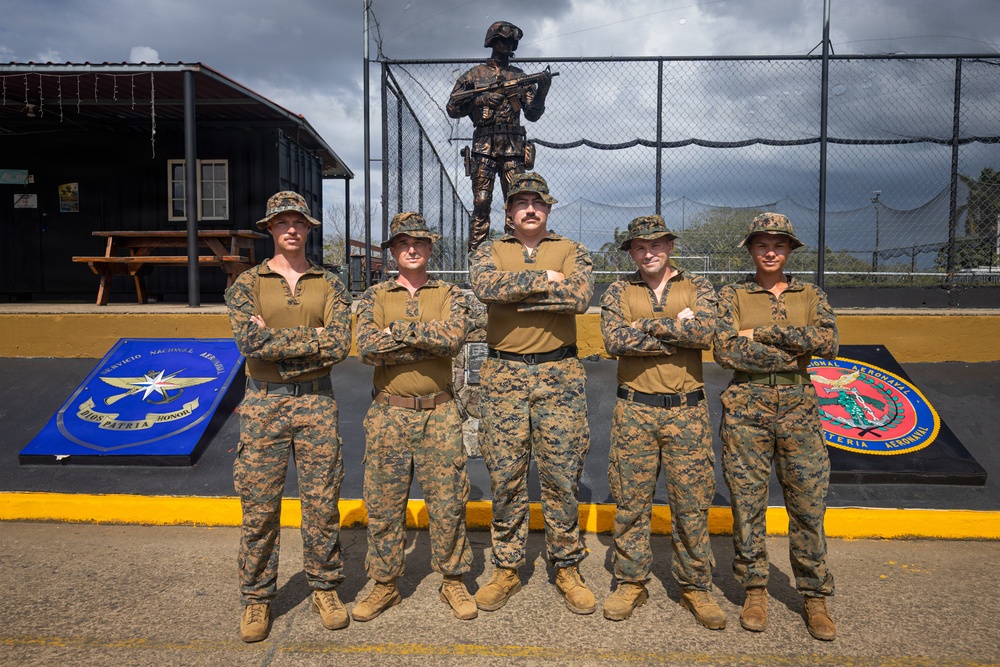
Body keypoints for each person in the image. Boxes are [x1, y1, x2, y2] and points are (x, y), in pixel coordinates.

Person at [225, 191, 353, 643]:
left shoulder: (330, 284)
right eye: (283, 222)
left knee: (321, 505)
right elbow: (248, 343)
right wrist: (310, 338)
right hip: (264, 405)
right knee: (260, 508)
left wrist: (276, 338)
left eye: (298, 221)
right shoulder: (247, 284)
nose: (292, 229)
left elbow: (339, 345)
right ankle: (257, 598)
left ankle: (325, 588)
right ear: (271, 229)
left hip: (317, 403)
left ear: (308, 228)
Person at [469, 171, 596, 615]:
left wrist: (516, 291)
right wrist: (546, 278)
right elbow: (485, 288)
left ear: (548, 208)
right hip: (504, 377)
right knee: (506, 476)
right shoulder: (491, 250)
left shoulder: (572, 250)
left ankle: (566, 566)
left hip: (558, 374)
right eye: (521, 202)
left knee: (562, 476)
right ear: (508, 211)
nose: (529, 209)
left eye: (537, 203)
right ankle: (506, 567)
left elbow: (578, 298)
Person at [713, 212, 839, 641]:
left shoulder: (810, 293)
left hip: (800, 409)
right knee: (747, 506)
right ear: (751, 249)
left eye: (779, 245)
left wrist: (760, 333)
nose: (771, 252)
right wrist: (792, 342)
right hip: (746, 406)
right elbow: (726, 351)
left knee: (807, 506)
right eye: (763, 244)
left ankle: (814, 596)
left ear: (789, 250)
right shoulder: (732, 293)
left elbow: (827, 342)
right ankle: (755, 590)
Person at [599, 215, 726, 628]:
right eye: (639, 246)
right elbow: (615, 340)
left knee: (691, 503)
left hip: (686, 411)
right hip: (635, 409)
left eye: (655, 244)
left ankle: (695, 586)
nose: (648, 252)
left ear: (669, 246)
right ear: (632, 251)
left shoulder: (699, 287)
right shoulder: (620, 289)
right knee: (631, 502)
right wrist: (677, 327)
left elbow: (707, 333)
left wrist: (647, 326)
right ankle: (630, 581)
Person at [353, 212, 477, 622]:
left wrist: (397, 332)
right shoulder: (375, 296)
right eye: (403, 243)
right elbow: (368, 348)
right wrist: (424, 334)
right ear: (392, 250)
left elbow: (452, 339)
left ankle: (453, 579)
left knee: (448, 503)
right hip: (389, 412)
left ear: (429, 248)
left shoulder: (449, 293)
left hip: (439, 413)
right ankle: (385, 583)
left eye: (419, 243)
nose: (411, 249)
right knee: (385, 503)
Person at [447, 20, 552, 253]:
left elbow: (533, 114)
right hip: (484, 145)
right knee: (481, 202)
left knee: (516, 203)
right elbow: (452, 108)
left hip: (513, 147)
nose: (509, 45)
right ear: (493, 41)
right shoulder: (474, 75)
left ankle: (513, 256)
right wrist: (480, 100)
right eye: (504, 40)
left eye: (512, 41)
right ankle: (477, 260)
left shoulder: (520, 76)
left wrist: (543, 90)